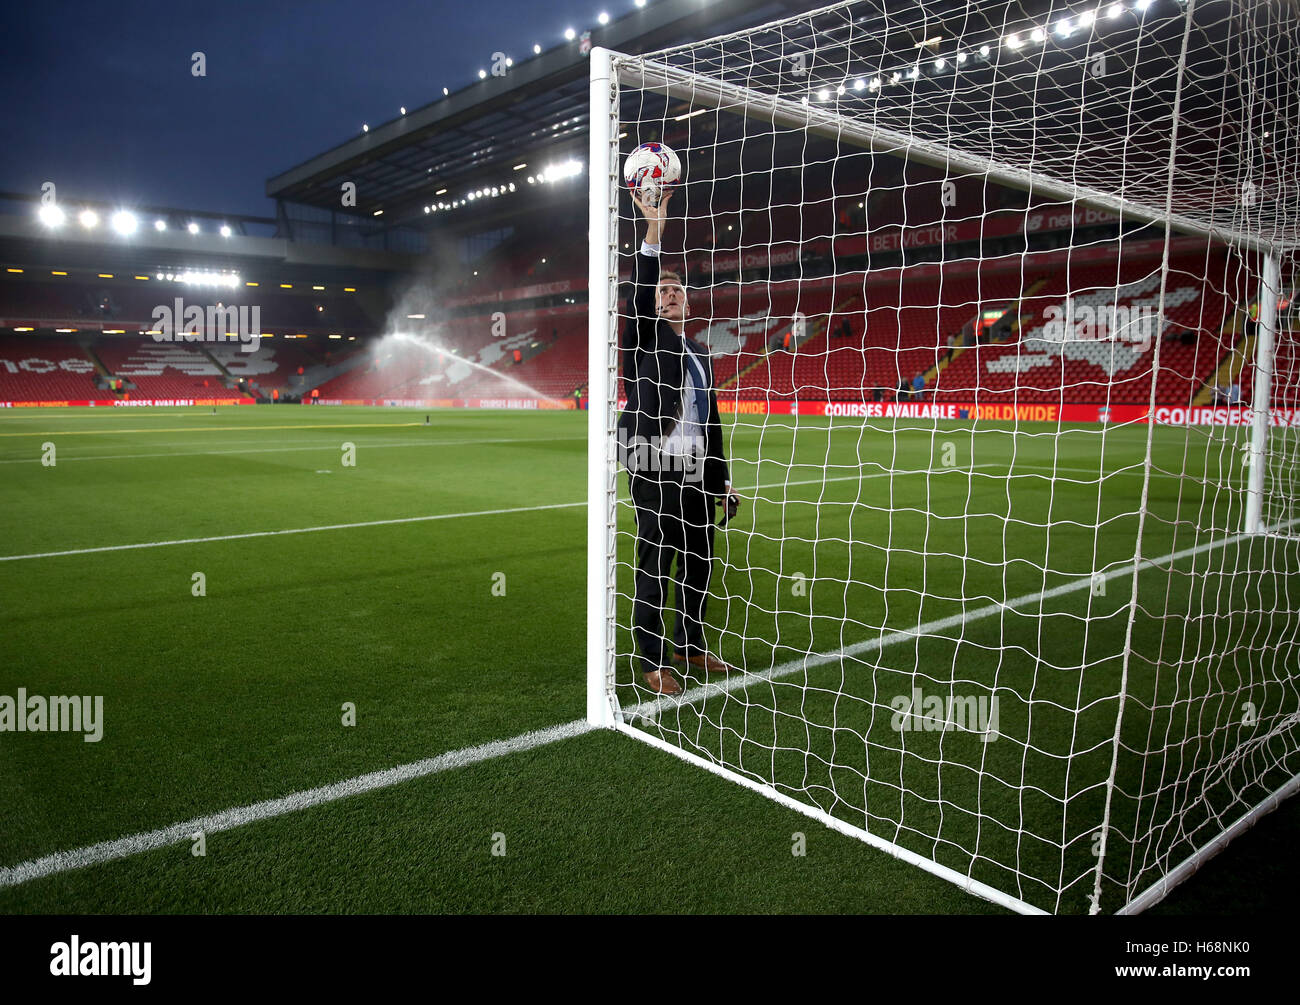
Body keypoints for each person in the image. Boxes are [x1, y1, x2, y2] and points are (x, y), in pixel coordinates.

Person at [619, 189, 740, 696]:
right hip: (652, 465)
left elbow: (708, 423)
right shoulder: (645, 338)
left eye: (676, 292)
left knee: (697, 563)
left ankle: (689, 645)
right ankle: (651, 660)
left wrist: (722, 482)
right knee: (656, 562)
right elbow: (643, 291)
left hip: (694, 472)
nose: (669, 295)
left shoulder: (700, 354)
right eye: (663, 291)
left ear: (689, 302)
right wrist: (654, 234)